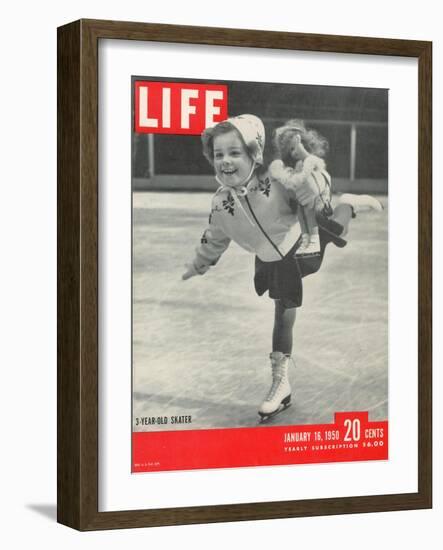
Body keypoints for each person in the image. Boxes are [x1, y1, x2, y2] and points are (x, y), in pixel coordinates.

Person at [182, 114, 382, 421]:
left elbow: (317, 178)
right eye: (219, 154)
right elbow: (214, 237)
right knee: (283, 314)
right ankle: (281, 381)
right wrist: (200, 262)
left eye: (235, 153)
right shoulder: (220, 204)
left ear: (254, 154)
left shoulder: (275, 180)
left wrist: (314, 189)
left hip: (303, 242)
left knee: (338, 230)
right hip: (271, 261)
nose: (225, 161)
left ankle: (350, 203)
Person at [269, 119, 332, 257]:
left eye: (296, 146)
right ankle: (306, 239)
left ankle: (314, 240)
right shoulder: (297, 165)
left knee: (308, 210)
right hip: (305, 200)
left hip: (319, 201)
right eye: (291, 149)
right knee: (301, 212)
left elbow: (316, 166)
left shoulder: (311, 160)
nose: (294, 152)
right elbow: (292, 182)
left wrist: (300, 147)